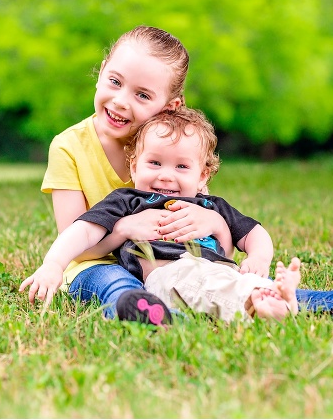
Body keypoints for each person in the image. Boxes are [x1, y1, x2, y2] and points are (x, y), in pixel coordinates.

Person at [31, 24, 333, 323]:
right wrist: (126, 228)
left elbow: (212, 231)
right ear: (102, 71)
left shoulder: (172, 152)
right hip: (93, 264)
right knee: (116, 283)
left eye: (142, 95)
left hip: (182, 264)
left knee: (242, 288)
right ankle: (140, 314)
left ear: (171, 107)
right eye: (114, 82)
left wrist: (217, 226)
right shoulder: (69, 147)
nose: (121, 101)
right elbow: (79, 245)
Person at [21, 107, 304, 323]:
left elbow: (255, 232)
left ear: (202, 174)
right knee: (201, 285)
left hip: (220, 270)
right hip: (166, 273)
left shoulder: (210, 205)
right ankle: (262, 302)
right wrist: (53, 265)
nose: (166, 176)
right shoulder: (128, 200)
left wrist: (258, 257)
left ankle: (271, 297)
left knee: (229, 282)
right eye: (154, 163)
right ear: (134, 167)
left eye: (181, 167)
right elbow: (81, 231)